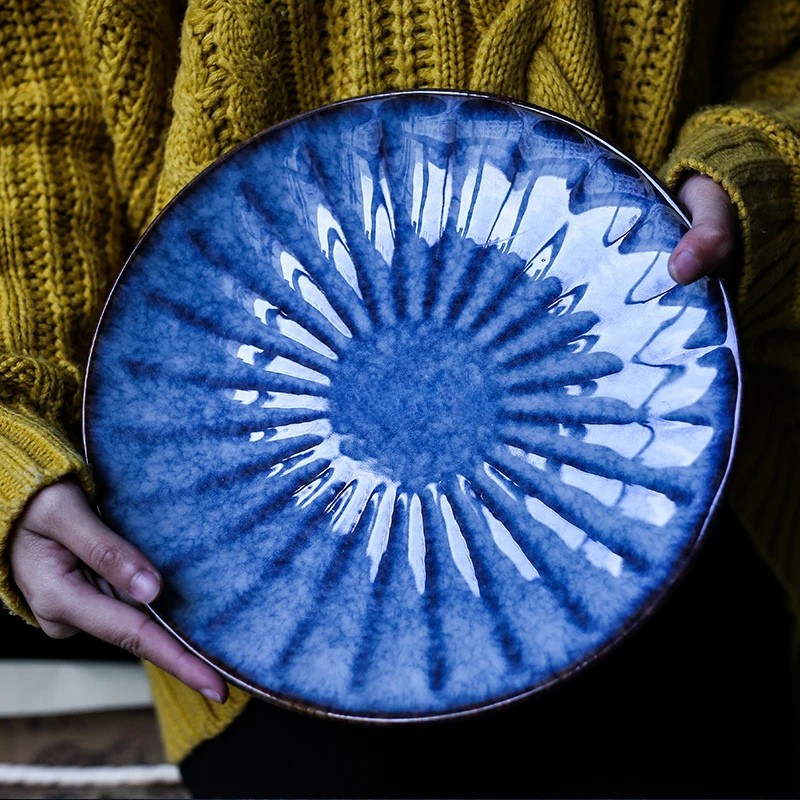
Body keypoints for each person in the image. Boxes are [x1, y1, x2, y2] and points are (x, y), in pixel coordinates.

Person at [1, 1, 798, 796]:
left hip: (681, 499)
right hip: (246, 590)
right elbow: (33, 122)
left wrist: (760, 166)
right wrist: (12, 420)